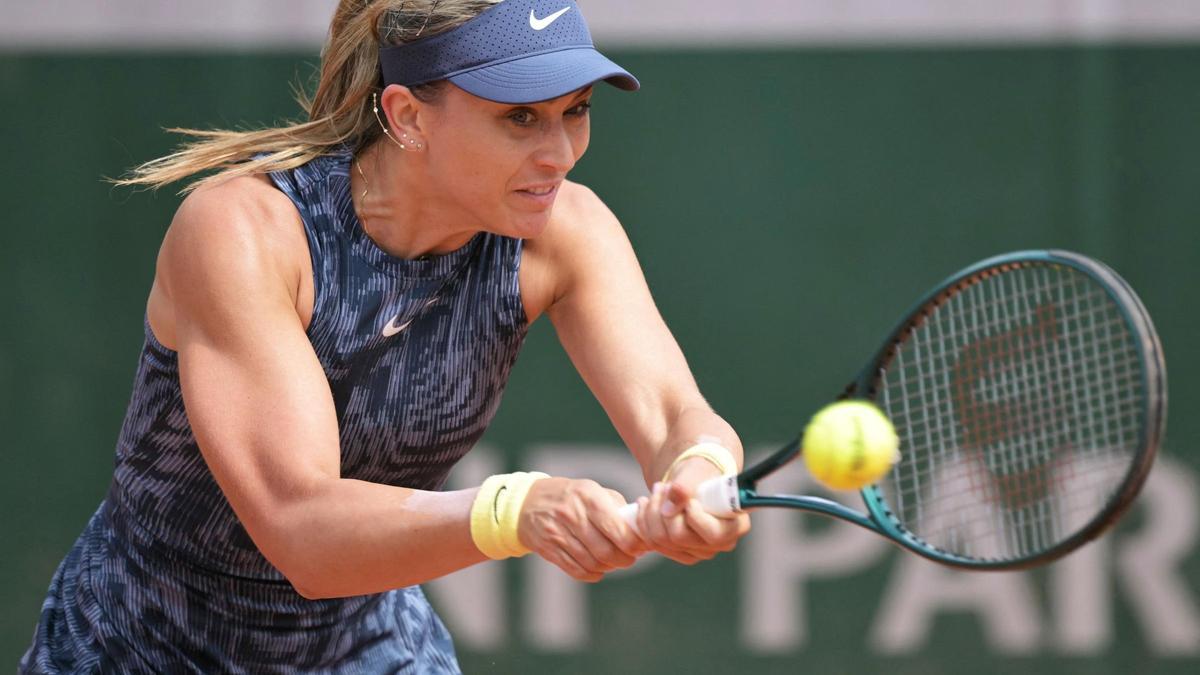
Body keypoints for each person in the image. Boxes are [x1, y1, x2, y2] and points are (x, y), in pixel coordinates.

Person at [20, 0, 750, 672]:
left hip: (369, 647)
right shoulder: (244, 233)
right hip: (134, 646)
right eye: (521, 118)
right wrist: (516, 510)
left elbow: (672, 414)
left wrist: (699, 467)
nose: (560, 152)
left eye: (577, 110)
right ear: (407, 115)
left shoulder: (569, 232)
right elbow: (302, 528)